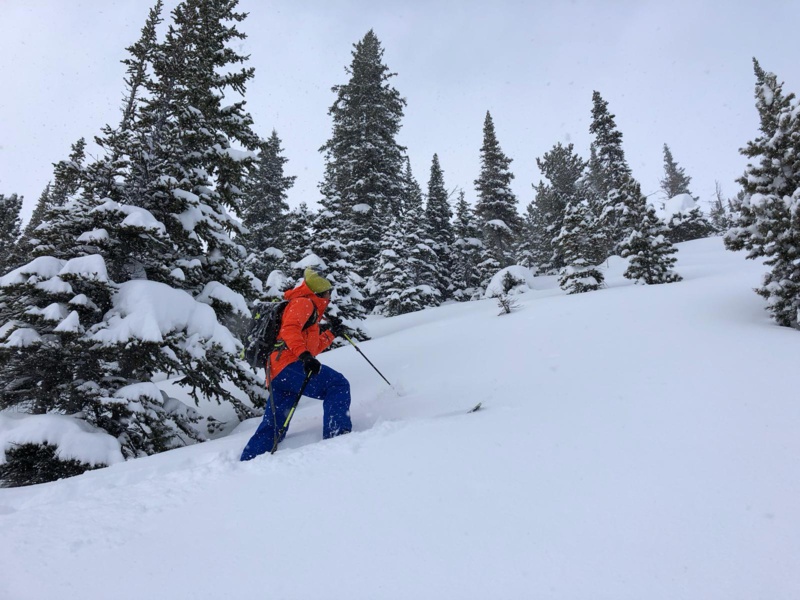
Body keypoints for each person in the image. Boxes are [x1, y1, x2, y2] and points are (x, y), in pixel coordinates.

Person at [240, 268, 351, 460]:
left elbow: (310, 348)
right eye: (328, 292)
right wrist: (305, 356)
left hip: (278, 371)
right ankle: (337, 437)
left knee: (275, 421)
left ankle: (250, 459)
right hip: (288, 365)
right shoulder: (303, 303)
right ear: (319, 293)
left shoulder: (310, 310)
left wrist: (331, 333)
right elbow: (289, 331)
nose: (330, 296)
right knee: (337, 384)